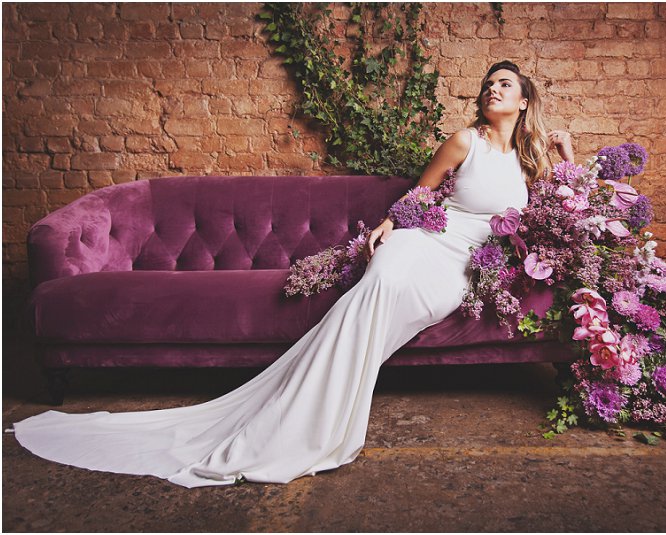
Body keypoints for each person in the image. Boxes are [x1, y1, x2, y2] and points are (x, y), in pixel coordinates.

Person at [10, 60, 575, 488]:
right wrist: (387, 225)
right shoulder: (464, 140)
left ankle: (305, 405)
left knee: (398, 313)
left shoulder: (530, 160)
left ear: (524, 101)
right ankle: (305, 422)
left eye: (504, 84)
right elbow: (420, 194)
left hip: (467, 263)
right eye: (488, 83)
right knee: (379, 286)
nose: (492, 89)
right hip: (423, 241)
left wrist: (568, 151)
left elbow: (571, 200)